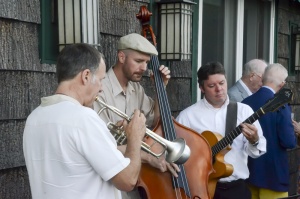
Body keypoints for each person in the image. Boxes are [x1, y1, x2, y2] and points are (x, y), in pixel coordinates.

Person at [23, 43, 147, 199]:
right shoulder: (83, 118)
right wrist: (135, 138)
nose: (101, 88)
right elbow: (128, 181)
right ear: (86, 76)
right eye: (101, 79)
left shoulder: (34, 118)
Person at [93, 33, 179, 199]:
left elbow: (155, 121)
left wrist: (160, 89)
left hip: (135, 179)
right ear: (122, 56)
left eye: (146, 62)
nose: (144, 68)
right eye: (139, 61)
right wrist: (149, 158)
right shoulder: (100, 89)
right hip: (109, 182)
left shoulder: (136, 89)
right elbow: (102, 146)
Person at [176, 61, 266, 199]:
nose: (219, 89)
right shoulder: (188, 116)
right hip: (201, 188)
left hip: (237, 190)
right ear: (201, 88)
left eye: (222, 83)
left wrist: (255, 141)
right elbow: (178, 155)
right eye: (212, 86)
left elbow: (256, 153)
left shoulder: (244, 111)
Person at [242, 63, 297, 199]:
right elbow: (288, 142)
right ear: (282, 84)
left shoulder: (244, 102)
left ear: (262, 79)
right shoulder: (281, 105)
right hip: (274, 175)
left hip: (250, 172)